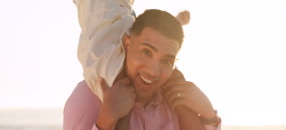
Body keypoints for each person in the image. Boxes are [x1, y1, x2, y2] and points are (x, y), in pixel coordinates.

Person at [63, 9, 221, 130]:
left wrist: (209, 116)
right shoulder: (88, 96)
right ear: (127, 43)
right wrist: (106, 119)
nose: (154, 71)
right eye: (147, 52)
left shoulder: (179, 103)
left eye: (167, 60)